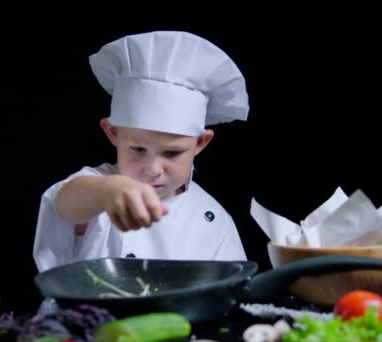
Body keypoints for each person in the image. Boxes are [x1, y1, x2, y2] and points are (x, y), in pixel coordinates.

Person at [33, 30, 250, 272]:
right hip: (95, 310)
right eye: (137, 149)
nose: (153, 170)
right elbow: (64, 204)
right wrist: (108, 191)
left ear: (200, 143)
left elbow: (232, 287)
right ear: (112, 133)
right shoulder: (97, 189)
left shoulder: (213, 219)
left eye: (171, 153)